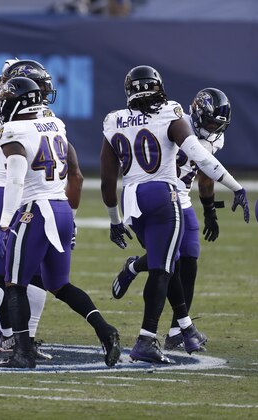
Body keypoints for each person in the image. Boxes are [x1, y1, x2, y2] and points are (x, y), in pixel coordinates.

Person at [100, 65, 249, 364]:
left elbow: (107, 180)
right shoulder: (171, 112)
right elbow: (200, 158)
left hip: (133, 201)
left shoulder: (113, 120)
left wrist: (114, 220)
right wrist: (235, 187)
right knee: (165, 266)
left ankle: (182, 328)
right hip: (165, 196)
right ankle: (157, 334)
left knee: (173, 260)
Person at [0, 77, 121, 368]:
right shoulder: (55, 124)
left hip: (35, 211)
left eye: (7, 98)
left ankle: (23, 352)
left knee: (14, 284)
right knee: (59, 285)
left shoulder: (13, 129)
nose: (3, 103)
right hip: (60, 207)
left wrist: (2, 225)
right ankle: (106, 330)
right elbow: (70, 170)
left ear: (19, 101)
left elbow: (14, 179)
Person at [0, 59, 62, 361]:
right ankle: (26, 340)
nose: (44, 91)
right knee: (30, 275)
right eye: (39, 86)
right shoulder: (37, 120)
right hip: (23, 198)